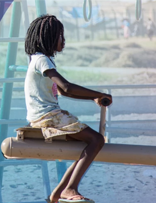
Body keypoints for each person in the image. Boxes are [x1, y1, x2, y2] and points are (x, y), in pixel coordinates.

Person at [24, 14, 112, 203]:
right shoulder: (42, 60)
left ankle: (57, 194)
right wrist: (100, 93)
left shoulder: (39, 60)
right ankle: (70, 188)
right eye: (60, 36)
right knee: (96, 140)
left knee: (86, 146)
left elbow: (64, 92)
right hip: (47, 116)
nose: (63, 41)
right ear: (48, 37)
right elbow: (67, 87)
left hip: (44, 115)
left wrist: (95, 97)